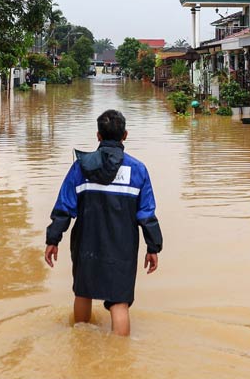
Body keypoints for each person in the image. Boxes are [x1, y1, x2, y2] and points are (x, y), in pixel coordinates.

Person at [44, 109, 163, 336]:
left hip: (87, 243)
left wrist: (53, 239)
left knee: (83, 292)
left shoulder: (81, 167)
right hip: (123, 247)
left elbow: (64, 206)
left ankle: (80, 345)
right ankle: (119, 359)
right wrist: (153, 246)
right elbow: (146, 214)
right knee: (119, 302)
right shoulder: (138, 170)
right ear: (125, 135)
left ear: (98, 136)